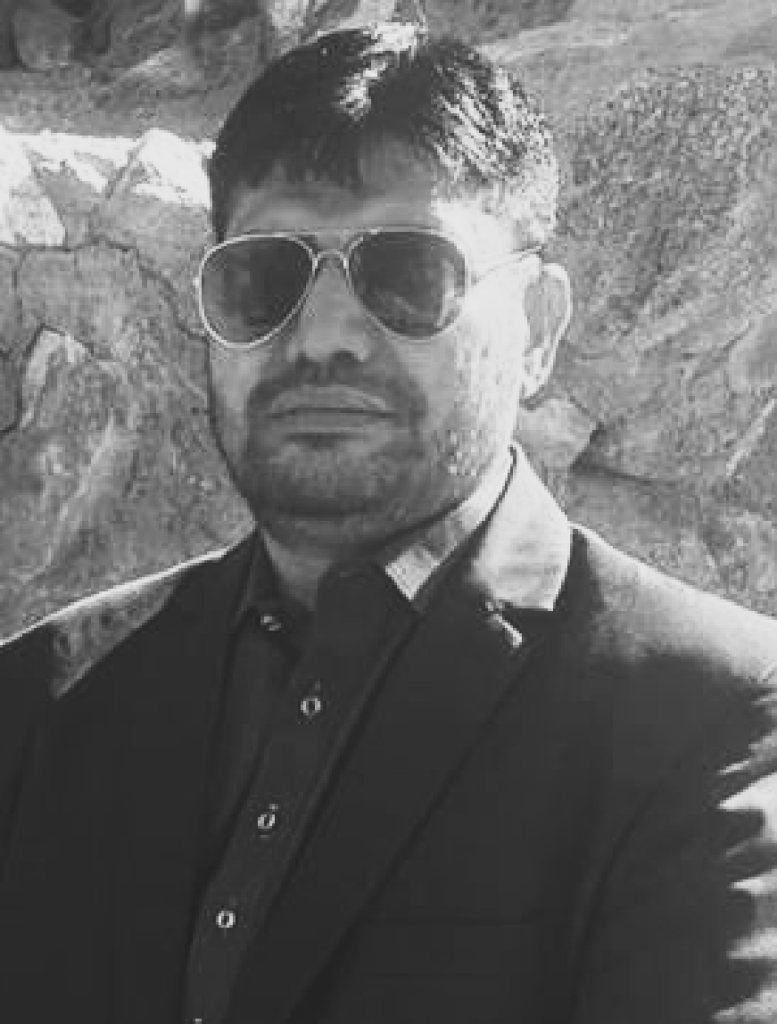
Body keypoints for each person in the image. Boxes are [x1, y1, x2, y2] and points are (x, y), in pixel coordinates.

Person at [2, 22, 777, 1024]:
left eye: (408, 274)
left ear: (539, 329)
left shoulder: (707, 720)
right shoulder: (44, 702)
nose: (323, 335)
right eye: (266, 277)